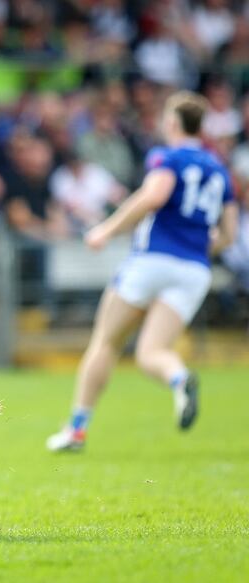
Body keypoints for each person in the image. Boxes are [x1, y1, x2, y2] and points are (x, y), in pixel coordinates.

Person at [46, 91, 240, 452]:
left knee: (106, 343)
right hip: (195, 270)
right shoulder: (219, 169)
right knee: (153, 351)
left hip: (152, 260)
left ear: (171, 123)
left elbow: (153, 197)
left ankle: (76, 430)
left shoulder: (167, 157)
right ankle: (179, 379)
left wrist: (105, 229)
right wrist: (195, 245)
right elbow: (227, 236)